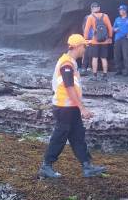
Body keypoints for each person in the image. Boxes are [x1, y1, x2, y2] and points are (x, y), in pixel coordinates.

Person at [38, 34, 107, 179]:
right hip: (64, 107)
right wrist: (82, 108)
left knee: (77, 136)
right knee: (60, 136)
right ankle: (46, 166)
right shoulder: (66, 63)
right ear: (77, 46)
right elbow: (69, 87)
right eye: (84, 47)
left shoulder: (71, 62)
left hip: (71, 107)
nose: (85, 50)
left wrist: (78, 107)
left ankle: (87, 166)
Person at [83, 2, 113, 81]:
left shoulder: (90, 17)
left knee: (95, 58)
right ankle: (105, 75)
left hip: (94, 41)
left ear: (92, 9)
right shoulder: (105, 16)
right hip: (105, 41)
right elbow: (110, 28)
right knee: (103, 58)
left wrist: (85, 39)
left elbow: (86, 29)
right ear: (99, 8)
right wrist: (110, 37)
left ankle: (95, 76)